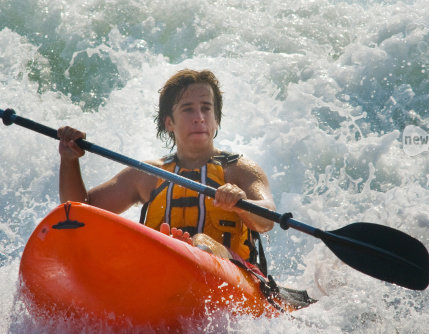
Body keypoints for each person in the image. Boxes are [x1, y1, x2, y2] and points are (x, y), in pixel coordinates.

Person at [57, 69, 275, 264]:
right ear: (169, 122)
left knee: (200, 242)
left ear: (216, 119)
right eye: (188, 110)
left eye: (206, 109)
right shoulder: (147, 175)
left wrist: (241, 203)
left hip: (232, 279)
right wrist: (69, 161)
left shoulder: (238, 169)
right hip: (164, 270)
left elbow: (267, 219)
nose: (199, 118)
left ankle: (190, 252)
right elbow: (78, 211)